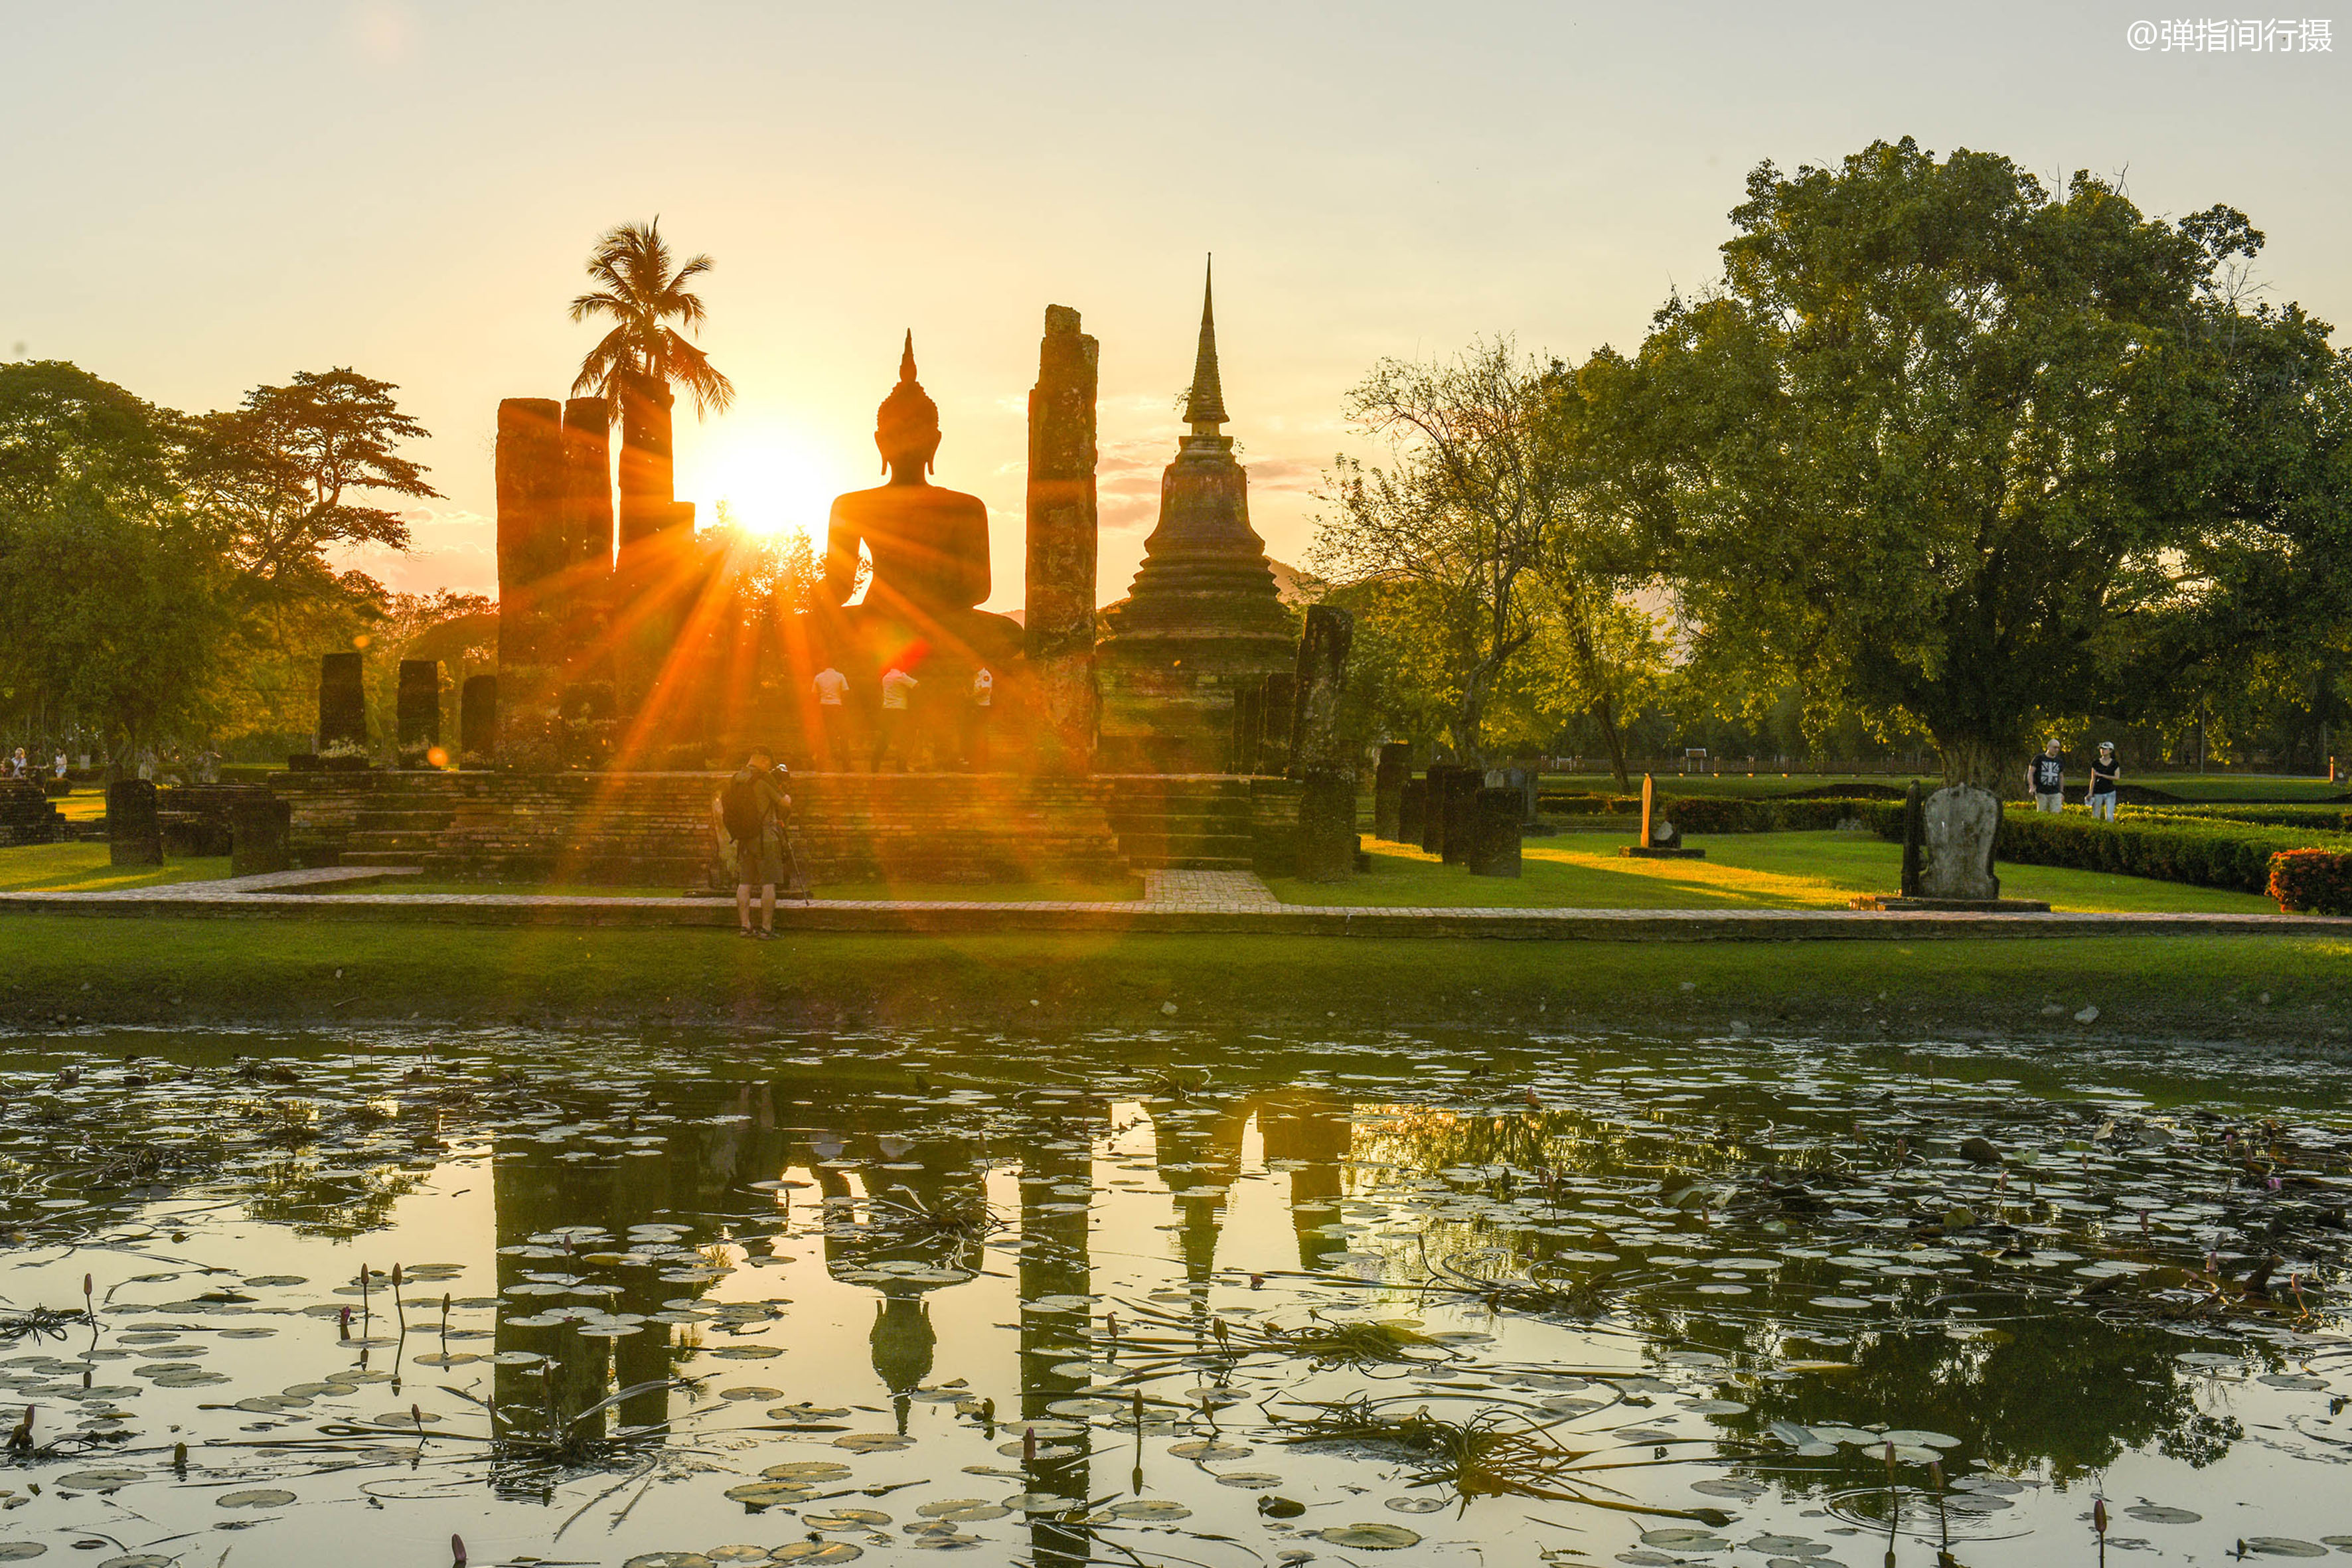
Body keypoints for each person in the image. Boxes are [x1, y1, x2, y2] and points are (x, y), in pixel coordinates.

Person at [714, 746, 793, 939]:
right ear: (764, 760)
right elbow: (785, 803)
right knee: (769, 883)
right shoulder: (765, 778)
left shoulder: (736, 779)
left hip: (744, 837)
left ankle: (745, 926)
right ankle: (766, 928)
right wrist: (785, 793)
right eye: (769, 763)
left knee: (745, 883)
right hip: (766, 838)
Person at [872, 665, 917, 771]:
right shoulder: (901, 676)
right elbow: (916, 685)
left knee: (885, 738)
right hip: (900, 711)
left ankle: (874, 765)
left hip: (887, 711)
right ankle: (901, 765)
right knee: (906, 738)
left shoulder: (886, 678)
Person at [811, 665, 850, 768]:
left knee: (823, 735)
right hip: (837, 706)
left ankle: (820, 763)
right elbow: (846, 692)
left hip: (824, 706)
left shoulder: (818, 677)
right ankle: (846, 764)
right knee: (843, 735)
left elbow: (814, 695)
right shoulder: (840, 676)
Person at [965, 666, 994, 770]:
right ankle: (974, 763)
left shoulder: (986, 675)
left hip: (983, 708)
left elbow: (985, 690)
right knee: (974, 736)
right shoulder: (975, 676)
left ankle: (982, 764)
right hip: (975, 707)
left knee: (981, 736)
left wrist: (971, 696)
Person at [2086, 740, 2121, 821]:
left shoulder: (2114, 764)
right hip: (2098, 792)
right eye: (2101, 749)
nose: (2102, 751)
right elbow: (2093, 779)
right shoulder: (2096, 763)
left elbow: (2117, 777)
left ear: (2110, 751)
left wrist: (2102, 775)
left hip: (2110, 792)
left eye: (2105, 749)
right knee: (2095, 815)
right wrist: (2090, 792)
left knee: (2109, 817)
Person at [2028, 738, 2065, 812]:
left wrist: (2061, 792)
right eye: (2055, 747)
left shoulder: (2059, 761)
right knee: (2042, 812)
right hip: (2041, 791)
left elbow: (2061, 776)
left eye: (2058, 748)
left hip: (2055, 792)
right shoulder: (2039, 759)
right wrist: (2031, 786)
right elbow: (2031, 773)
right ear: (2048, 747)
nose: (2056, 750)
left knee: (2056, 813)